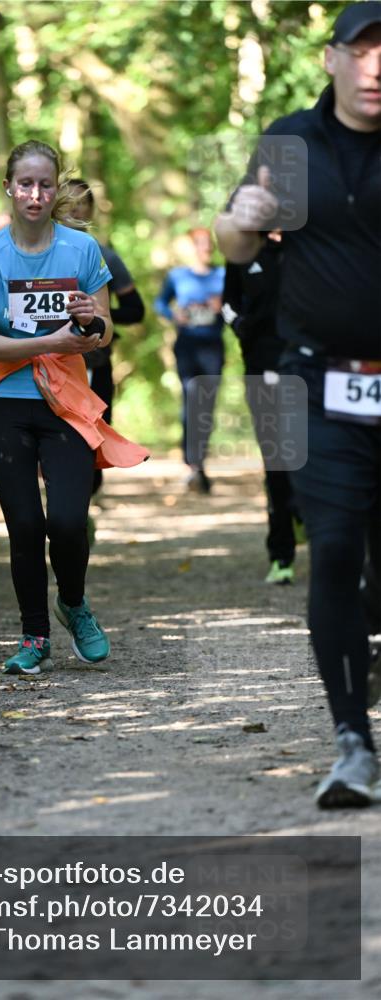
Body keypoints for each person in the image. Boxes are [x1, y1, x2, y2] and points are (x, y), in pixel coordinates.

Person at [215, 1, 381, 808]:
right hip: (320, 385)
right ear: (331, 60)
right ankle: (353, 740)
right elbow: (235, 241)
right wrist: (239, 225)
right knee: (336, 546)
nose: (376, 66)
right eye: (362, 51)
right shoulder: (287, 140)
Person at [0, 139, 149, 676]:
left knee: (66, 520)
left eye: (44, 184)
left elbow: (103, 333)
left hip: (65, 405)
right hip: (6, 407)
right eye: (25, 184)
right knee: (24, 525)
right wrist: (49, 343)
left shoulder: (82, 251)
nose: (35, 194)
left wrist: (88, 321)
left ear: (56, 188)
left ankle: (75, 604)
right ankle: (34, 635)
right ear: (9, 190)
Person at [222, 233, 301, 584]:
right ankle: (281, 555)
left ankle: (306, 518)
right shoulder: (242, 252)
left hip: (307, 368)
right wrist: (240, 326)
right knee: (277, 463)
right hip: (261, 365)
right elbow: (226, 303)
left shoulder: (308, 246)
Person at [64, 179, 146, 499]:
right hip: (48, 362)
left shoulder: (105, 255)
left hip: (95, 360)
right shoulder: (35, 253)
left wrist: (98, 314)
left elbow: (135, 310)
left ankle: (83, 504)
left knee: (95, 433)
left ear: (92, 210)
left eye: (83, 202)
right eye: (67, 201)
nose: (75, 207)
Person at [154, 228, 225, 493]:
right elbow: (160, 303)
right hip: (186, 347)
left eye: (209, 244)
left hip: (212, 347)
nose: (205, 248)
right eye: (201, 244)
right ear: (193, 247)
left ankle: (200, 460)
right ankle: (191, 464)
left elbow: (237, 305)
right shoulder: (178, 276)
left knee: (206, 405)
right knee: (190, 400)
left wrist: (222, 306)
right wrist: (175, 315)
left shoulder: (223, 275)